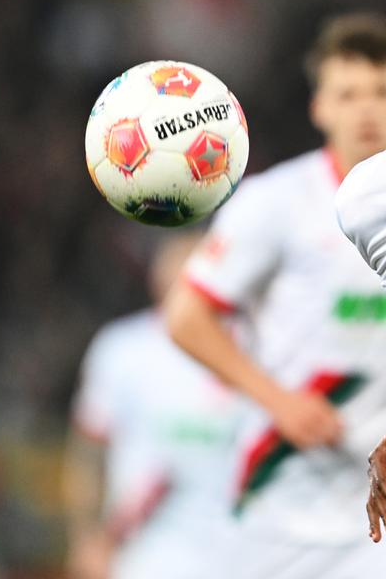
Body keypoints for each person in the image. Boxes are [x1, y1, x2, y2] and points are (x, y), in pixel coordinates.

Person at [162, 14, 386, 578]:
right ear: (320, 108)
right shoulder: (274, 202)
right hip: (284, 495)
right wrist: (279, 401)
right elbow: (185, 316)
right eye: (347, 95)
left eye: (380, 92)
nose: (365, 111)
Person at [64, 234, 246, 579]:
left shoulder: (255, 348)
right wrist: (86, 536)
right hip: (145, 552)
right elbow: (90, 450)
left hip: (238, 552)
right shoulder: (124, 349)